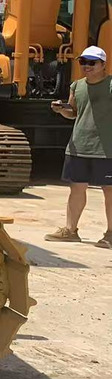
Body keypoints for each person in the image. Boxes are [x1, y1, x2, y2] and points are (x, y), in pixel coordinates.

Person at [46, 45, 112, 247]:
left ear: (103, 65)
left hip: (107, 148)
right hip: (79, 146)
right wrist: (61, 110)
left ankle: (110, 234)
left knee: (109, 190)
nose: (87, 66)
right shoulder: (77, 86)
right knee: (76, 188)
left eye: (92, 63)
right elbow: (73, 112)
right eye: (83, 62)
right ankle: (70, 230)